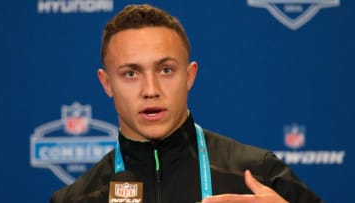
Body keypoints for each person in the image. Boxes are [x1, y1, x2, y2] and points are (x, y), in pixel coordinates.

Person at [50, 4, 323, 203]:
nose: (151, 90)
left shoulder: (259, 175)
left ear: (189, 76)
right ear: (107, 83)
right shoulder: (76, 199)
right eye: (131, 73)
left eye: (166, 70)